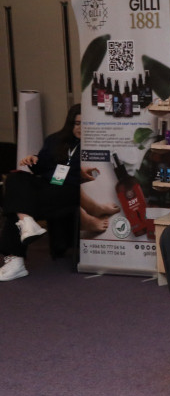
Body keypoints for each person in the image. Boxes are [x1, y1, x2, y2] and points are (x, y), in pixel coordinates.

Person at [0, 104, 115, 281]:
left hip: (70, 189)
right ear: (70, 124)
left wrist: (79, 173)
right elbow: (41, 167)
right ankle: (26, 222)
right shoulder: (55, 140)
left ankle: (16, 258)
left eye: (85, 124)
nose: (80, 128)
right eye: (77, 123)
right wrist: (34, 160)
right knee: (16, 177)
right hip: (48, 184)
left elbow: (94, 174)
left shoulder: (96, 144)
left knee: (16, 207)